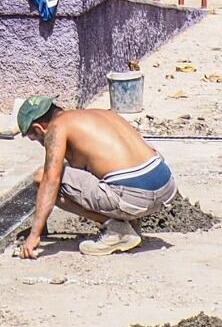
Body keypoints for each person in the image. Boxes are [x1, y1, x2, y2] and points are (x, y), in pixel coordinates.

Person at [13, 96, 178, 258]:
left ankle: (117, 231)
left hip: (135, 199)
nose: (39, 142)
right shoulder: (99, 114)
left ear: (38, 129)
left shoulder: (57, 127)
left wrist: (35, 234)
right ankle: (132, 225)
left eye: (34, 138)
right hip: (166, 188)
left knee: (41, 177)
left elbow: (51, 180)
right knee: (94, 171)